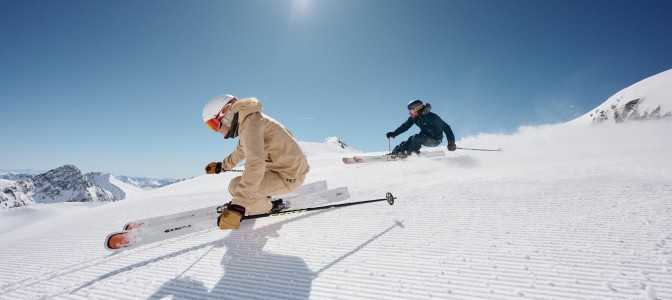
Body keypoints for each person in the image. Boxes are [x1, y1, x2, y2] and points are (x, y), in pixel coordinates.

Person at [202, 94, 310, 230]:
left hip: (289, 176)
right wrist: (222, 166)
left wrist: (238, 205)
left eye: (214, 124)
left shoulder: (250, 126)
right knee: (240, 186)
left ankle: (268, 207)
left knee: (235, 186)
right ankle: (259, 198)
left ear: (227, 114)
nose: (217, 131)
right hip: (284, 169)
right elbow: (241, 151)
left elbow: (255, 165)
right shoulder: (250, 120)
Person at [386, 99, 457, 157]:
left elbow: (446, 128)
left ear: (418, 109)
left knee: (416, 138)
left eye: (411, 111)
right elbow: (405, 126)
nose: (410, 113)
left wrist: (451, 142)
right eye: (409, 111)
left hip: (435, 140)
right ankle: (396, 152)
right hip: (424, 136)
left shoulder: (432, 117)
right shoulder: (414, 118)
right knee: (411, 139)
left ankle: (411, 153)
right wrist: (394, 133)